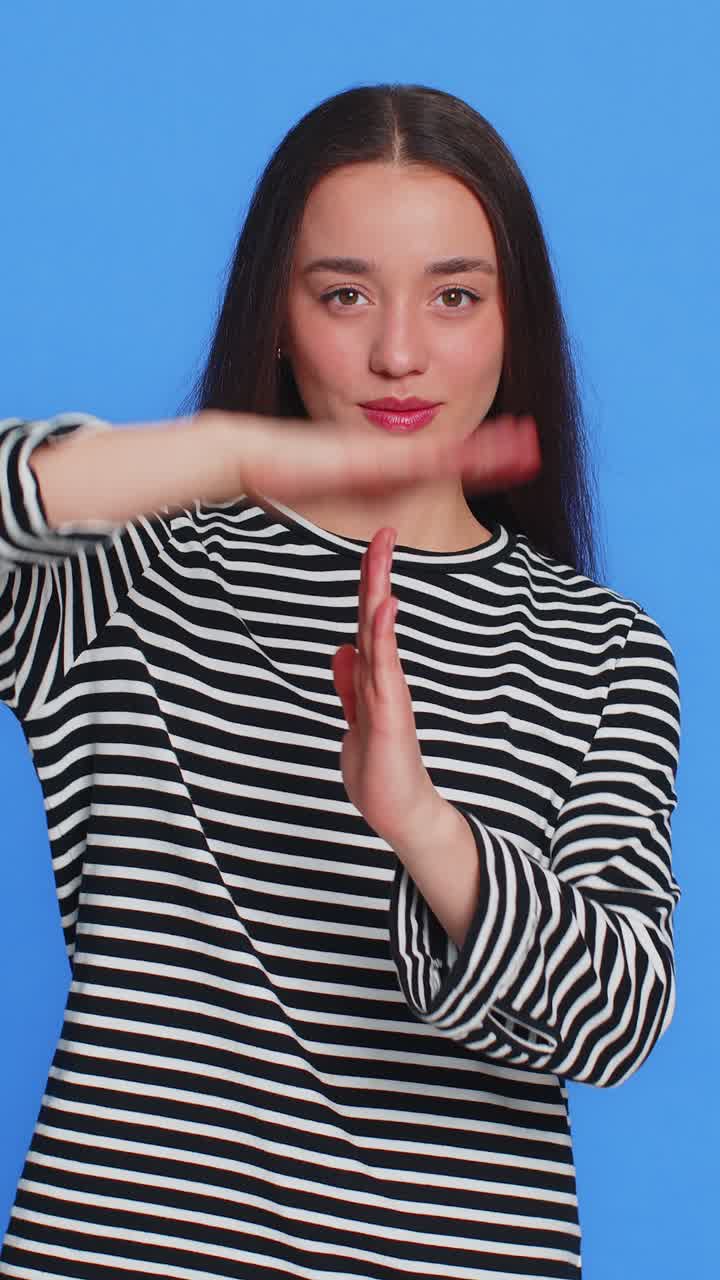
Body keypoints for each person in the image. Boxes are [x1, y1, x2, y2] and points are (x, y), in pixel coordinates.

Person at [0, 83, 681, 1280]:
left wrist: (422, 822)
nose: (399, 351)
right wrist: (230, 453)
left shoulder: (603, 647)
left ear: (516, 322)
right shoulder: (131, 571)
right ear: (277, 312)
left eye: (456, 295)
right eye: (345, 293)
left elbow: (619, 1016)